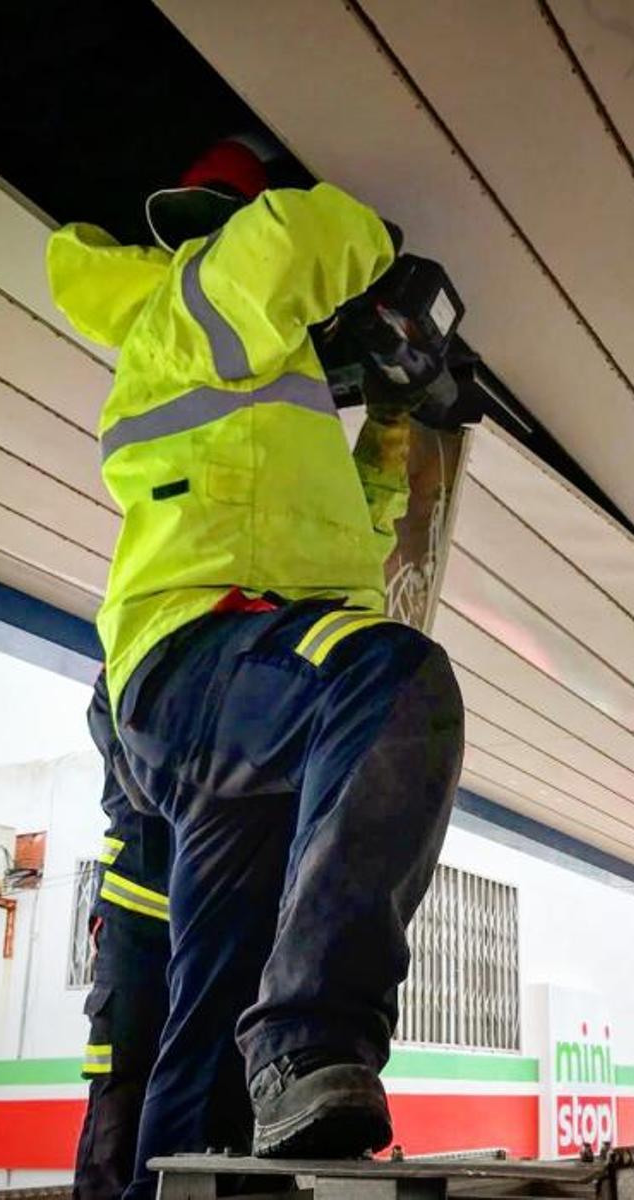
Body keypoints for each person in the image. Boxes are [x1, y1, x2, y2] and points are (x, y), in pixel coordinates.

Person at [47, 141, 465, 1197]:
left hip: (227, 707)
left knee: (216, 1003)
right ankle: (313, 1034)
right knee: (392, 678)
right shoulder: (189, 303)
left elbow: (353, 533)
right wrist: (364, 262)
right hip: (203, 656)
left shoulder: (259, 378)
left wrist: (395, 408)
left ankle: (201, 1162)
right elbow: (314, 236)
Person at [72, 673, 171, 1200]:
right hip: (137, 918)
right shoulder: (127, 673)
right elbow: (144, 785)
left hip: (213, 923)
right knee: (121, 1092)